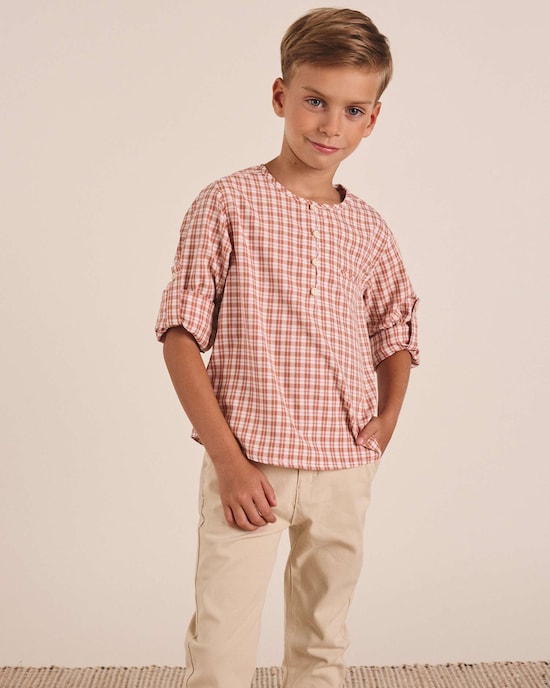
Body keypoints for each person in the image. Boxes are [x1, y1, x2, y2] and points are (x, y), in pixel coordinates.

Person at [155, 7, 419, 688]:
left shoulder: (369, 229)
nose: (331, 125)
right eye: (315, 101)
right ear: (281, 96)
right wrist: (228, 461)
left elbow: (396, 327)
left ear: (372, 119)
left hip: (343, 466)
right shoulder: (227, 204)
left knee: (323, 641)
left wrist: (387, 419)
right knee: (221, 646)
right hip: (249, 463)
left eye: (353, 110)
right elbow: (180, 335)